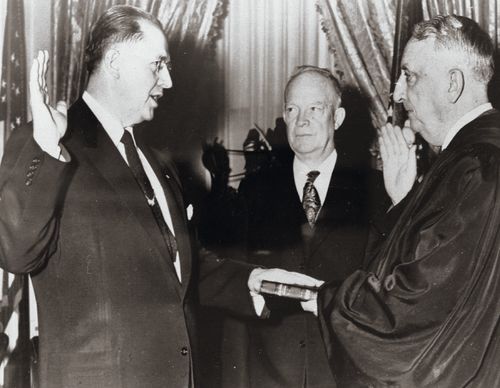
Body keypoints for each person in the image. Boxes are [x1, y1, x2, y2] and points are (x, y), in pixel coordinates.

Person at [0, 6, 320, 388]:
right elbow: (15, 252)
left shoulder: (158, 164)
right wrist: (47, 148)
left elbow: (175, 271)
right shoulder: (49, 143)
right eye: (157, 65)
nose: (167, 80)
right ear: (115, 61)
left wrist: (251, 279)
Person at [301, 15, 500, 387]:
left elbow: (416, 309)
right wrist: (404, 200)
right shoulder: (472, 156)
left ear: (453, 84)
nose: (397, 93)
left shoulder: (477, 165)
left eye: (410, 76)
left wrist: (324, 298)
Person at [238, 66, 385, 388]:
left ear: (338, 118)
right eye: (293, 109)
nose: (302, 120)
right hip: (270, 373)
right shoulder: (253, 192)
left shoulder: (377, 191)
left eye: (315, 109)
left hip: (345, 372)